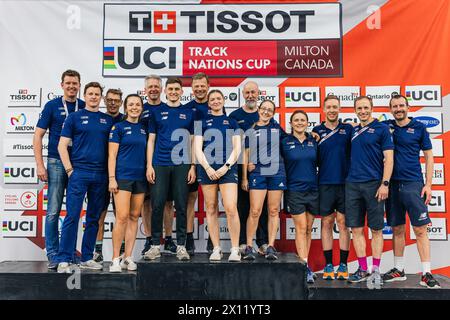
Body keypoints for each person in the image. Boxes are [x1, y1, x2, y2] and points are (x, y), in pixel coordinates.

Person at [382, 94, 440, 289]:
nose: (398, 109)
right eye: (394, 106)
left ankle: (426, 273)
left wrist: (429, 184)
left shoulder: (419, 128)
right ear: (390, 109)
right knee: (397, 228)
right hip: (392, 185)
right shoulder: (386, 127)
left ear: (407, 107)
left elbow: (429, 157)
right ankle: (399, 269)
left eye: (401, 105)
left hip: (413, 183)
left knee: (420, 229)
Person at [55, 82, 114, 273]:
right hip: (79, 173)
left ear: (101, 97)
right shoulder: (74, 118)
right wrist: (70, 170)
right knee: (72, 216)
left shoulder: (108, 120)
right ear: (85, 95)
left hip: (101, 175)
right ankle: (65, 257)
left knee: (93, 218)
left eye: (97, 94)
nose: (94, 97)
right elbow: (61, 146)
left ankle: (87, 257)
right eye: (90, 94)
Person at [33, 69, 85, 269]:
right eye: (68, 83)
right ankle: (53, 252)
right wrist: (39, 164)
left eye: (75, 83)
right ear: (62, 84)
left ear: (79, 85)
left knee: (73, 211)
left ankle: (69, 252)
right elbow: (38, 135)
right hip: (55, 162)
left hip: (78, 164)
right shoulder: (52, 105)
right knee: (54, 210)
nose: (72, 86)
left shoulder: (83, 106)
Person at [145, 77, 196, 261]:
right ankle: (154, 246)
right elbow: (151, 140)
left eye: (177, 89)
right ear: (165, 91)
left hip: (182, 164)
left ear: (182, 92)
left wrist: (192, 166)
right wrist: (149, 165)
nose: (173, 92)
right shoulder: (156, 112)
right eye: (170, 89)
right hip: (160, 163)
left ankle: (181, 246)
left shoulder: (190, 113)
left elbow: (192, 142)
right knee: (157, 204)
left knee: (181, 205)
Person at [346, 96, 394, 289]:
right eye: (359, 108)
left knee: (376, 229)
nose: (363, 111)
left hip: (375, 185)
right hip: (352, 185)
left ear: (372, 108)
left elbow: (389, 159)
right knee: (356, 229)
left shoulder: (382, 129)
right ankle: (362, 268)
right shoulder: (353, 130)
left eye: (366, 108)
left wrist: (385, 184)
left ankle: (375, 269)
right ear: (355, 110)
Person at [194, 89, 241, 261]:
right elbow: (197, 148)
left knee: (230, 207)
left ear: (223, 100)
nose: (215, 101)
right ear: (208, 102)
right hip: (207, 169)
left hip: (228, 168)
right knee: (211, 207)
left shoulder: (232, 122)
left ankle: (235, 249)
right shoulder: (202, 122)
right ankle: (216, 248)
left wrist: (226, 166)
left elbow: (237, 148)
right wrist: (207, 168)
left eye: (218, 98)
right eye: (212, 99)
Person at [312, 95, 352, 280]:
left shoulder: (348, 129)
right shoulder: (316, 131)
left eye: (335, 107)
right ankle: (329, 264)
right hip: (325, 184)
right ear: (323, 109)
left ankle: (343, 264)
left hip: (345, 184)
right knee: (327, 223)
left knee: (343, 224)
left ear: (340, 108)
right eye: (329, 107)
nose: (332, 110)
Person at [242, 99, 287, 261]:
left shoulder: (277, 128)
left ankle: (270, 246)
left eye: (270, 110)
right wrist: (245, 176)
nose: (266, 112)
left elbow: (292, 138)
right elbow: (246, 154)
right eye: (264, 109)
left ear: (273, 114)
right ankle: (248, 246)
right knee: (255, 211)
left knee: (274, 210)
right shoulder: (251, 129)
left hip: (277, 172)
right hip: (258, 173)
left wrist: (311, 135)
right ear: (259, 110)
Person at [229, 81, 269, 255]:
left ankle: (263, 242)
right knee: (243, 206)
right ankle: (244, 242)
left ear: (259, 93)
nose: (251, 95)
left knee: (262, 207)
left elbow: (275, 138)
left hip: (263, 168)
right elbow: (231, 144)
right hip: (240, 167)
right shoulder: (234, 115)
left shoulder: (265, 114)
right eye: (248, 92)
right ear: (243, 94)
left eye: (254, 92)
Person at [108, 94, 147, 272]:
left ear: (141, 108)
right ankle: (115, 258)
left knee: (133, 217)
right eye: (131, 104)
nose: (134, 107)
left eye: (137, 104)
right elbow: (112, 155)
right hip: (122, 177)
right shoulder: (119, 127)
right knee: (121, 217)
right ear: (126, 107)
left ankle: (128, 257)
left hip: (140, 178)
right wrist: (111, 178)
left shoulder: (144, 128)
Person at [140, 75, 176, 256]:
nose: (153, 89)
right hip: (142, 163)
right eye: (150, 86)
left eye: (156, 86)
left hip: (165, 162)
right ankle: (149, 239)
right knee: (146, 203)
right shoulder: (139, 108)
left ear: (162, 89)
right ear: (145, 89)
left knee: (168, 203)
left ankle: (168, 239)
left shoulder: (168, 107)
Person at [282, 110, 319, 283]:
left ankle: (305, 264)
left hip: (313, 190)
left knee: (309, 228)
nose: (299, 122)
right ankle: (304, 266)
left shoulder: (314, 141)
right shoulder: (285, 142)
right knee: (301, 228)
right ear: (291, 123)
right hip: (294, 190)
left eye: (302, 120)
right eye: (296, 120)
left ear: (307, 123)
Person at [94, 88, 124, 263]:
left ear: (121, 102)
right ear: (105, 100)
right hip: (101, 173)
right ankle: (97, 251)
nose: (113, 103)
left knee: (123, 215)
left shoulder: (126, 120)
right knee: (100, 213)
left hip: (123, 174)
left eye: (116, 100)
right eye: (110, 100)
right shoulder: (99, 119)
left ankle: (120, 252)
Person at [183, 72, 210, 255]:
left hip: (212, 160)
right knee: (189, 201)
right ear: (192, 88)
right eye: (196, 86)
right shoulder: (186, 108)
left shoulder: (216, 105)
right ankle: (188, 238)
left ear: (208, 86)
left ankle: (211, 238)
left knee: (211, 201)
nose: (200, 89)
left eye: (203, 85)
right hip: (191, 159)